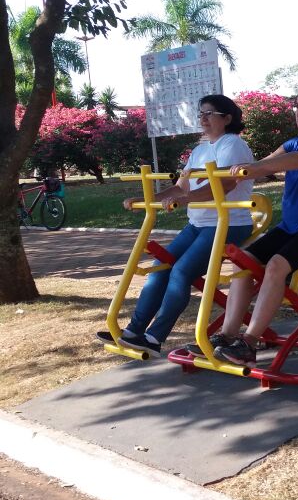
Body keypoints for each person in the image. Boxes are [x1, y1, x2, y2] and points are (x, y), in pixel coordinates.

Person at [97, 94, 254, 355]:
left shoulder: (233, 144)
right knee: (160, 267)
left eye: (209, 114)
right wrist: (149, 199)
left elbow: (225, 185)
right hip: (199, 224)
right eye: (201, 113)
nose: (203, 118)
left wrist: (185, 199)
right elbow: (181, 187)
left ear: (227, 118)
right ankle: (134, 332)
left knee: (180, 271)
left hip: (228, 223)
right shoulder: (200, 150)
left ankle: (154, 338)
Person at [208, 84, 298, 366]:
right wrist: (209, 174)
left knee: (275, 266)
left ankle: (249, 344)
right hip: (291, 226)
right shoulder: (294, 142)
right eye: (296, 106)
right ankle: (227, 336)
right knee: (243, 261)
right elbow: (265, 164)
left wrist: (256, 168)